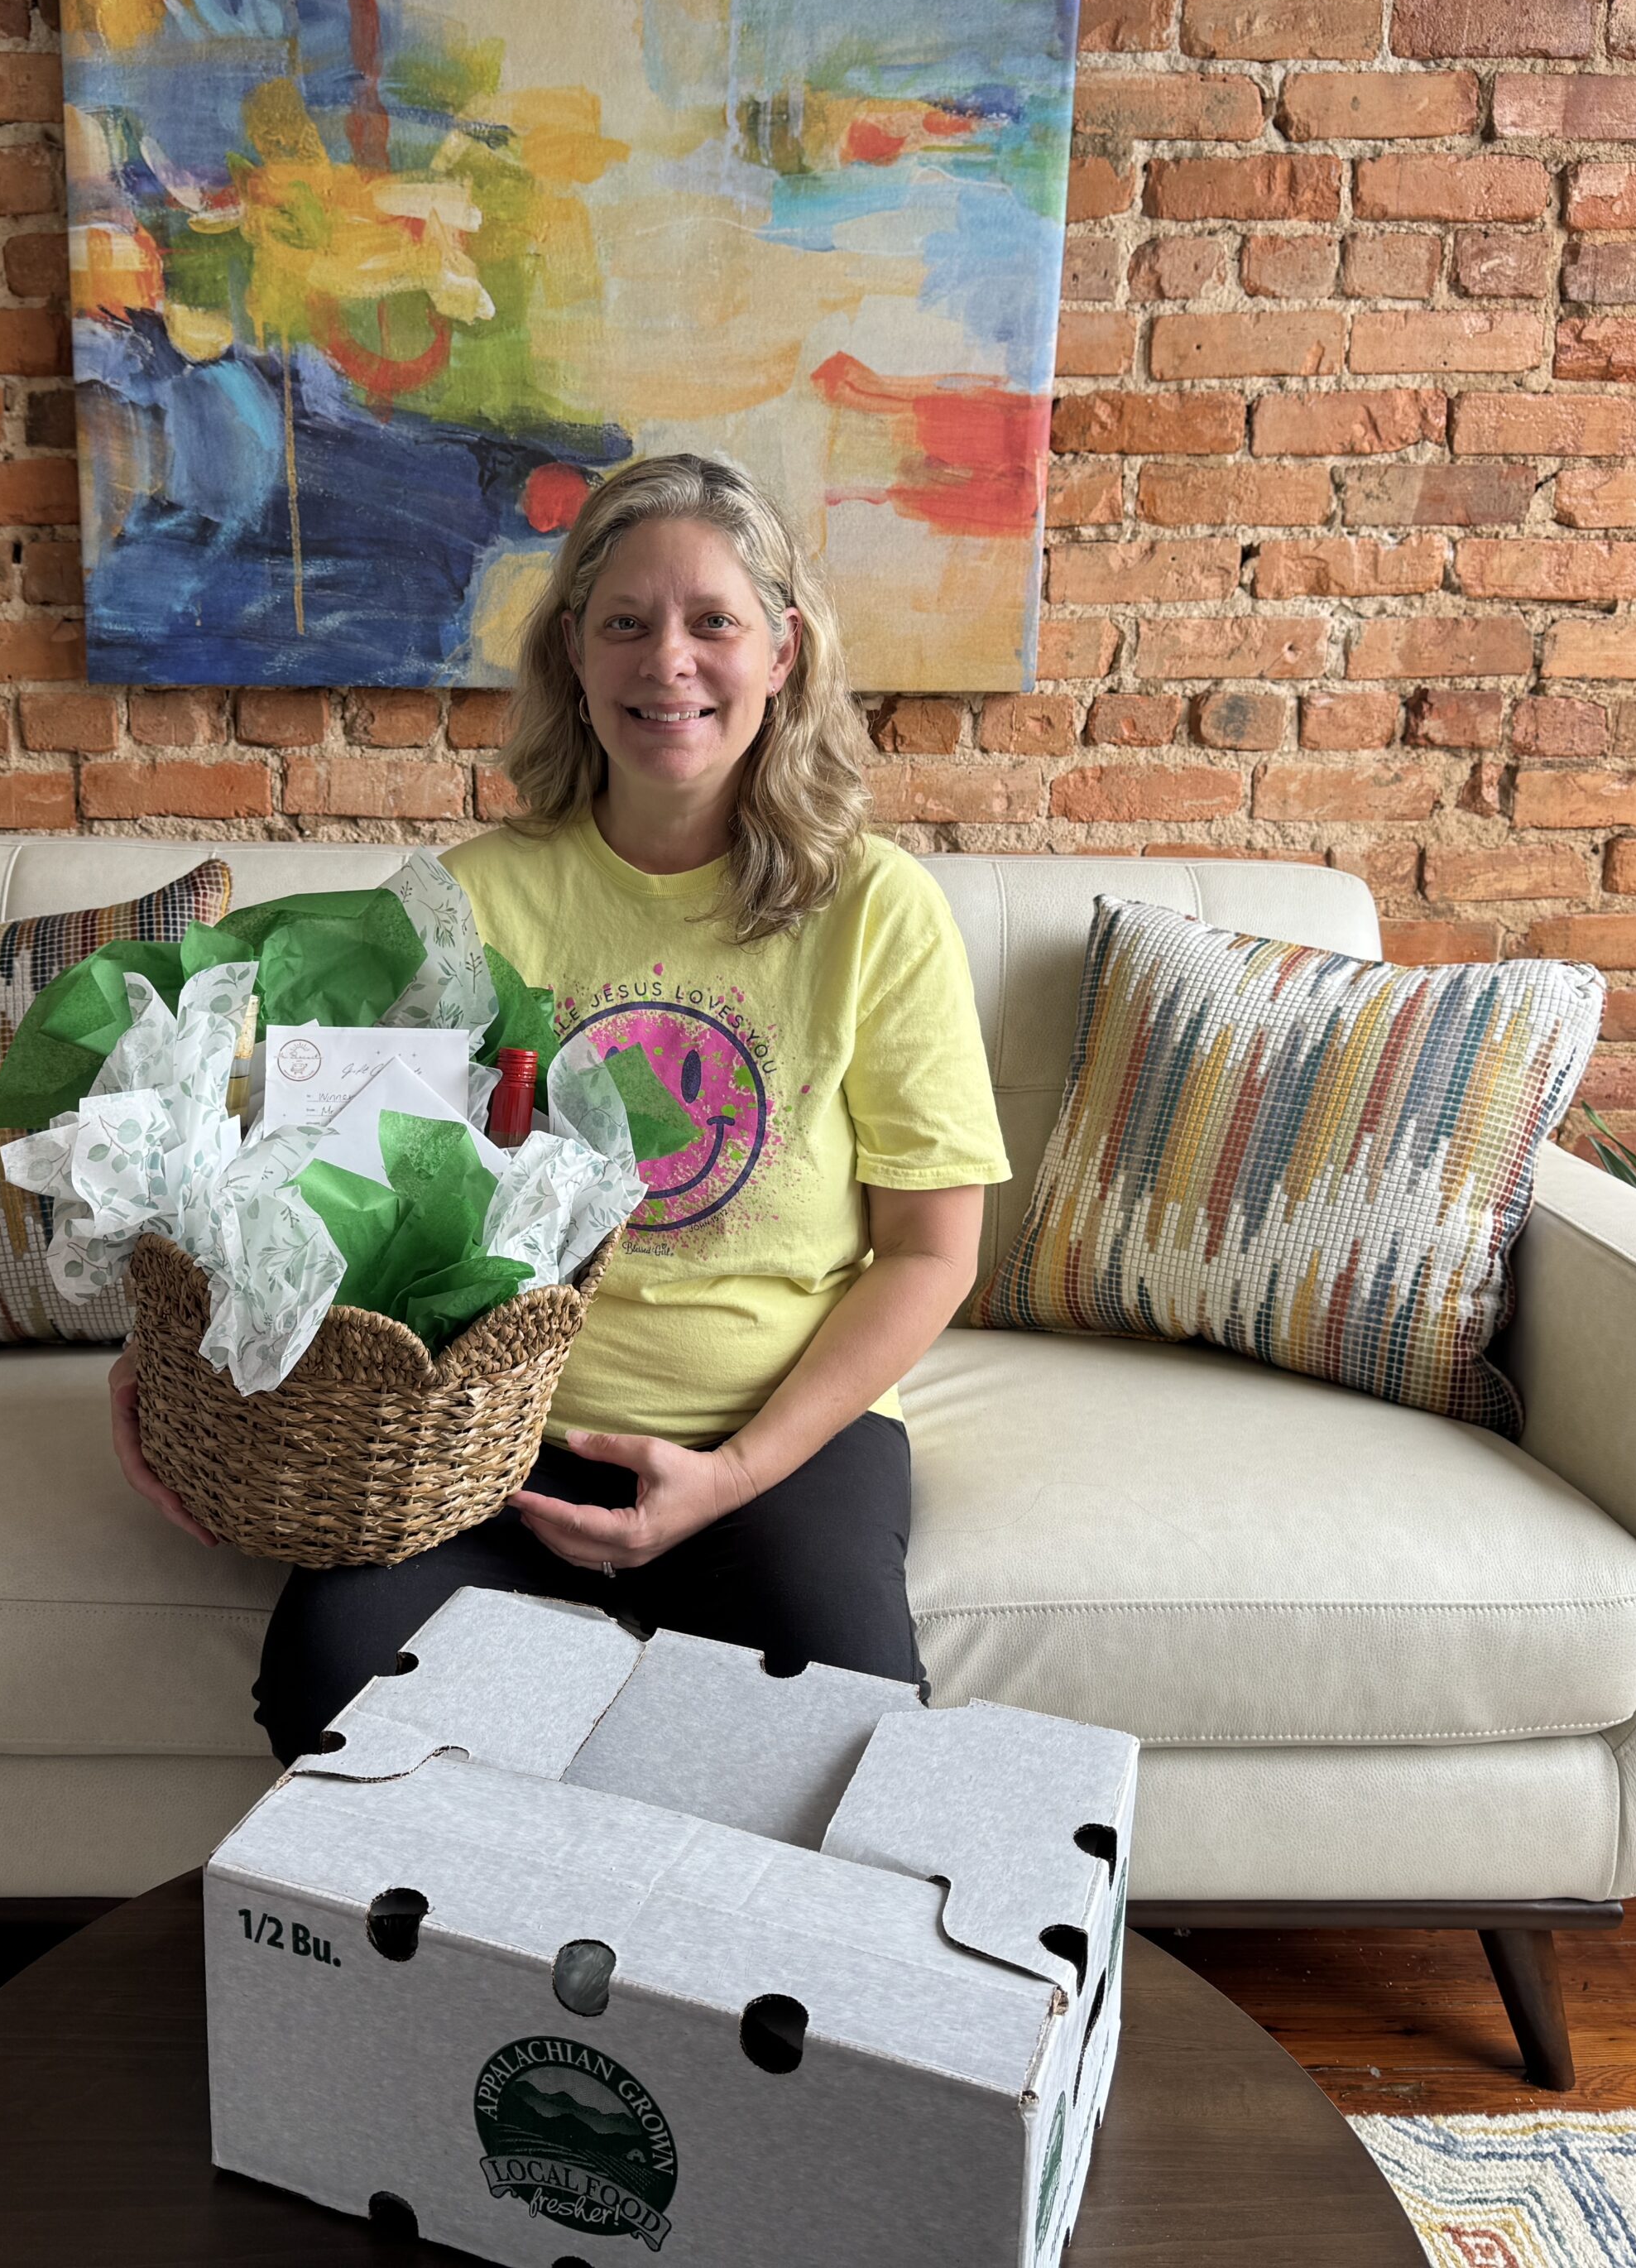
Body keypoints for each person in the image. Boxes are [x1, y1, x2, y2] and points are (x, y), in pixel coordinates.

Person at [110, 453, 1009, 1761]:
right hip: (485, 1431)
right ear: (574, 653)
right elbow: (311, 1175)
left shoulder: (878, 910)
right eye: (626, 623)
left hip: (776, 1442)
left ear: (783, 652)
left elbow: (933, 1251)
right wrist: (168, 1355)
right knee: (330, 1687)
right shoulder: (468, 901)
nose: (668, 662)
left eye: (713, 622)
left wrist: (733, 1476)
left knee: (842, 1740)